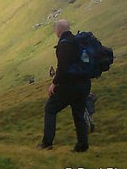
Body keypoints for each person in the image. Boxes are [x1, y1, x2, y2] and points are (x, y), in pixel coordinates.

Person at [37, 19, 91, 152]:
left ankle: (47, 143)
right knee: (78, 114)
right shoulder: (78, 41)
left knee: (50, 109)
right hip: (84, 84)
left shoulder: (64, 44)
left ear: (58, 31)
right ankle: (82, 146)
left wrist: (54, 84)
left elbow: (63, 68)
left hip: (70, 86)